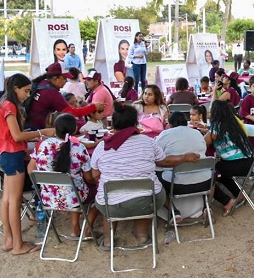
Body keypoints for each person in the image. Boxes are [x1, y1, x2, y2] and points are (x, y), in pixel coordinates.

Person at [90, 102, 199, 250]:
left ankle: (109, 242)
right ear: (136, 122)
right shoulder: (148, 142)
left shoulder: (102, 146)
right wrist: (184, 157)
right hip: (147, 199)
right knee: (144, 197)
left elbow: (94, 175)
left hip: (111, 204)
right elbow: (165, 161)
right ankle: (142, 236)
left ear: (113, 125)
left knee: (109, 200)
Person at [0, 73, 56, 255]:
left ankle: (9, 240)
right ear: (16, 89)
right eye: (26, 91)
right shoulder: (10, 106)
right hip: (12, 155)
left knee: (7, 200)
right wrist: (41, 132)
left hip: (8, 154)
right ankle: (18, 245)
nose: (28, 95)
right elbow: (17, 136)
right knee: (14, 201)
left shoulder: (4, 104)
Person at [28, 113, 96, 237]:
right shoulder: (79, 147)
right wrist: (94, 183)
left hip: (48, 198)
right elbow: (88, 177)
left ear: (55, 128)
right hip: (74, 198)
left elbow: (31, 171)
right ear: (75, 129)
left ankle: (76, 226)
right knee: (96, 191)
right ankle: (79, 227)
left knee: (71, 185)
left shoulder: (42, 146)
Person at [155, 111, 210, 219]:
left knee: (154, 175)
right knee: (210, 171)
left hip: (176, 186)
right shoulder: (197, 133)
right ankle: (207, 207)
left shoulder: (166, 134)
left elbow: (156, 155)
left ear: (169, 124)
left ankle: (173, 211)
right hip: (204, 183)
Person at [204, 100, 254, 216]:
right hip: (249, 162)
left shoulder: (217, 126)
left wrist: (206, 131)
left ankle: (227, 201)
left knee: (211, 173)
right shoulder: (234, 123)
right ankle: (239, 194)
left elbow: (204, 142)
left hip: (237, 165)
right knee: (221, 171)